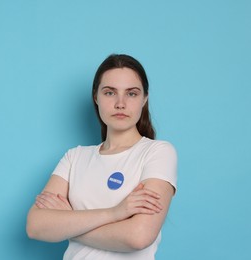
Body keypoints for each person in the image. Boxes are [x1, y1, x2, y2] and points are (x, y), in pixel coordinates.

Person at [26, 54, 177, 259]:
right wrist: (115, 213)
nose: (120, 103)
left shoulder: (157, 152)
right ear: (96, 97)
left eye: (131, 94)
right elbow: (36, 226)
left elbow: (138, 236)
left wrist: (68, 221)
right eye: (109, 93)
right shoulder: (75, 157)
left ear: (144, 99)